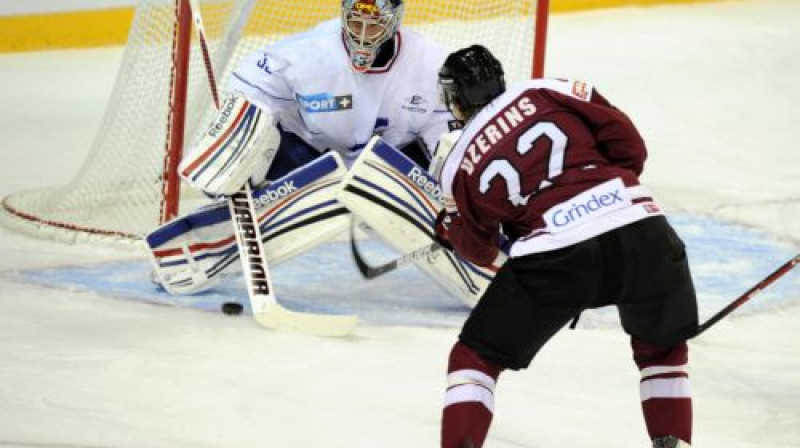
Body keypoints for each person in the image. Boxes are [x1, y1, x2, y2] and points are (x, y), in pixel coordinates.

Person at [431, 45, 699, 448]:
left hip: (556, 257)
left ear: (455, 99)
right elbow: (630, 147)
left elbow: (481, 250)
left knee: (475, 360)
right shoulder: (548, 88)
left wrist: (449, 228)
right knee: (661, 349)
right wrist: (601, 193)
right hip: (642, 230)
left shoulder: (456, 162)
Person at [147, 0, 459, 294]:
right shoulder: (305, 54)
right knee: (261, 146)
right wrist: (234, 142)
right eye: (354, 21)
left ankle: (472, 255)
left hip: (387, 167)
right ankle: (204, 247)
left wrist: (453, 194)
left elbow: (443, 139)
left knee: (450, 174)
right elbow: (249, 90)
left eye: (374, 25)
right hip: (310, 161)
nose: (362, 35)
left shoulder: (431, 63)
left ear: (394, 23)